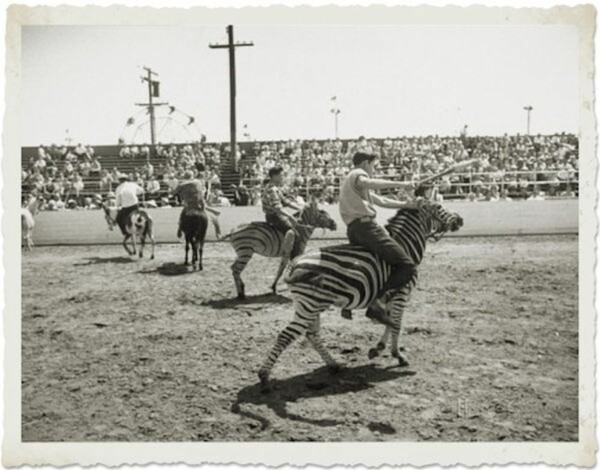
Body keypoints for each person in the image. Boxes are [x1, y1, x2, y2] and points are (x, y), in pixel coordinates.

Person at [339, 152, 421, 326]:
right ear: (365, 163)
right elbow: (368, 182)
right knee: (407, 266)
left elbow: (380, 200)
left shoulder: (350, 183)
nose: (373, 169)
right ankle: (378, 303)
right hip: (367, 229)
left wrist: (406, 205)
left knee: (371, 264)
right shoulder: (357, 175)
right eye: (373, 165)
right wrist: (404, 183)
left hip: (354, 230)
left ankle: (349, 302)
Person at [262, 166, 302, 260]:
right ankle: (291, 258)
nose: (283, 177)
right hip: (274, 216)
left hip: (275, 215)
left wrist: (300, 208)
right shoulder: (272, 189)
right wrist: (290, 216)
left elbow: (285, 201)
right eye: (281, 175)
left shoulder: (274, 187)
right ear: (274, 176)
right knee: (295, 233)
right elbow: (277, 208)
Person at [173, 171, 221, 239]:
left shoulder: (181, 184)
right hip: (200, 203)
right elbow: (201, 191)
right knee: (214, 219)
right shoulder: (198, 182)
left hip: (189, 204)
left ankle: (180, 230)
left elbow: (173, 192)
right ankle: (218, 234)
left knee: (181, 218)